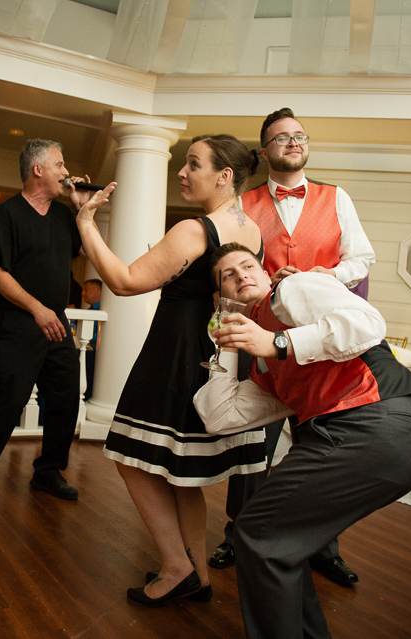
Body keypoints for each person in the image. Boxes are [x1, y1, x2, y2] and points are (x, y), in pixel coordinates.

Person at [197, 242, 411, 639]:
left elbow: (367, 324)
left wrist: (277, 343)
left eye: (248, 266)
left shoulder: (294, 289)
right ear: (221, 298)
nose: (241, 276)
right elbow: (219, 416)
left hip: (376, 422)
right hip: (370, 436)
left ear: (265, 271)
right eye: (228, 276)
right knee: (277, 542)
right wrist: (230, 346)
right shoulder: (261, 362)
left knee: (258, 533)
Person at [75, 135, 266, 607]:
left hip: (174, 355)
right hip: (215, 354)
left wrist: (86, 222)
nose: (182, 171)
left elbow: (123, 282)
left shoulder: (195, 231)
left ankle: (176, 564)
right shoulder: (252, 228)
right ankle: (198, 574)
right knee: (182, 473)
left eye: (193, 164)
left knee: (128, 458)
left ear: (224, 176)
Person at [213, 107, 377, 585]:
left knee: (322, 450)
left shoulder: (336, 197)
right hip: (260, 337)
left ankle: (323, 546)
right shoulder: (242, 204)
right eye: (281, 137)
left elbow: (361, 259)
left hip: (319, 338)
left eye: (299, 135)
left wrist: (316, 277)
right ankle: (235, 534)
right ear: (263, 151)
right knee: (252, 445)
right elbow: (229, 266)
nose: (292, 141)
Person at [0, 139, 90, 504]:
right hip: (18, 321)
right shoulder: (7, 214)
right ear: (38, 170)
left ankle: (48, 472)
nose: (66, 172)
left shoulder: (65, 216)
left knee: (65, 396)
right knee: (9, 399)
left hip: (56, 321)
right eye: (59, 165)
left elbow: (89, 252)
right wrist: (37, 308)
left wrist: (82, 211)